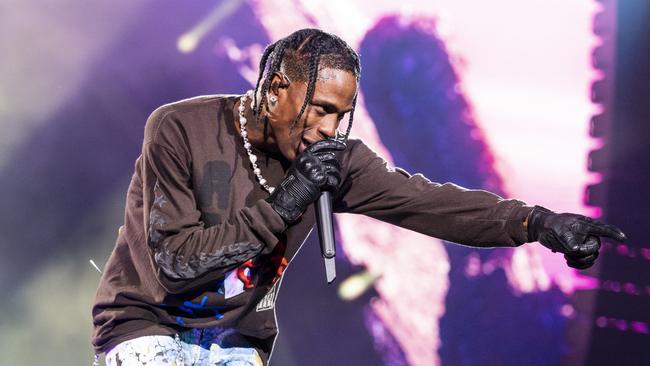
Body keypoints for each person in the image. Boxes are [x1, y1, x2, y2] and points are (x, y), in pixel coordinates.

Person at [91, 28, 626, 366]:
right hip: (150, 328)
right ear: (275, 90)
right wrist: (284, 204)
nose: (330, 128)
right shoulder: (183, 128)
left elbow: (427, 202)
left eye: (341, 115)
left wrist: (536, 223)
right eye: (320, 109)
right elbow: (176, 265)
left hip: (235, 344)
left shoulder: (332, 160)